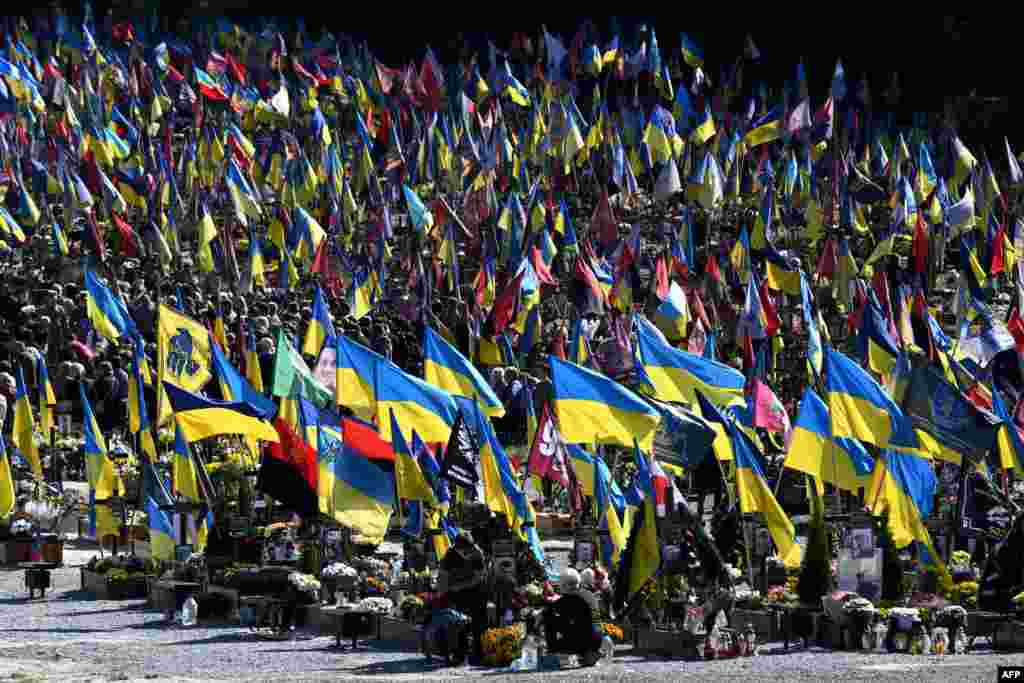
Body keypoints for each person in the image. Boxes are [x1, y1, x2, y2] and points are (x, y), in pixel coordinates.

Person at [440, 531, 488, 663]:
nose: (467, 552)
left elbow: (478, 577)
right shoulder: (450, 555)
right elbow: (443, 574)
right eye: (464, 550)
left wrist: (460, 586)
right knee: (458, 623)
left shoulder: (477, 553)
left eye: (469, 549)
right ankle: (460, 655)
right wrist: (443, 592)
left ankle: (480, 654)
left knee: (479, 623)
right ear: (457, 548)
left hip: (476, 591)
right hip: (457, 593)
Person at [543, 567, 606, 666]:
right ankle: (588, 654)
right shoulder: (588, 594)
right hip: (598, 638)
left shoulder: (568, 600)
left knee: (549, 617)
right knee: (576, 623)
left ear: (564, 585)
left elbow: (551, 610)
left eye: (560, 585)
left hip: (584, 640)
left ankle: (552, 650)